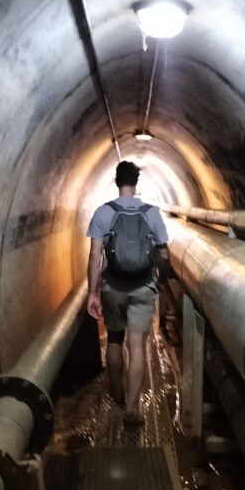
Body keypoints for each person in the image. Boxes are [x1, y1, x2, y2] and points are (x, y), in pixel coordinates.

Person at [86, 161, 169, 425]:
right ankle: (132, 409)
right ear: (136, 183)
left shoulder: (103, 213)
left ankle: (117, 392)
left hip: (113, 287)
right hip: (143, 287)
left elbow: (94, 256)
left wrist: (93, 293)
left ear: (116, 181)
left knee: (113, 340)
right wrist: (160, 276)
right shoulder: (152, 213)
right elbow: (164, 252)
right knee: (137, 347)